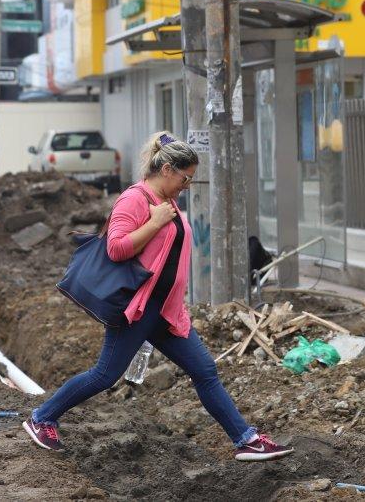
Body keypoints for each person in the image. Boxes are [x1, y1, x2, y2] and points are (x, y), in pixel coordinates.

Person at [23, 132, 294, 462]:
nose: (188, 185)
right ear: (167, 169)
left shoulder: (168, 202)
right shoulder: (134, 200)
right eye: (186, 178)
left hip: (167, 311)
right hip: (137, 310)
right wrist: (153, 224)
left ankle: (246, 439)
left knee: (205, 371)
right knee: (104, 375)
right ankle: (42, 417)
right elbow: (117, 247)